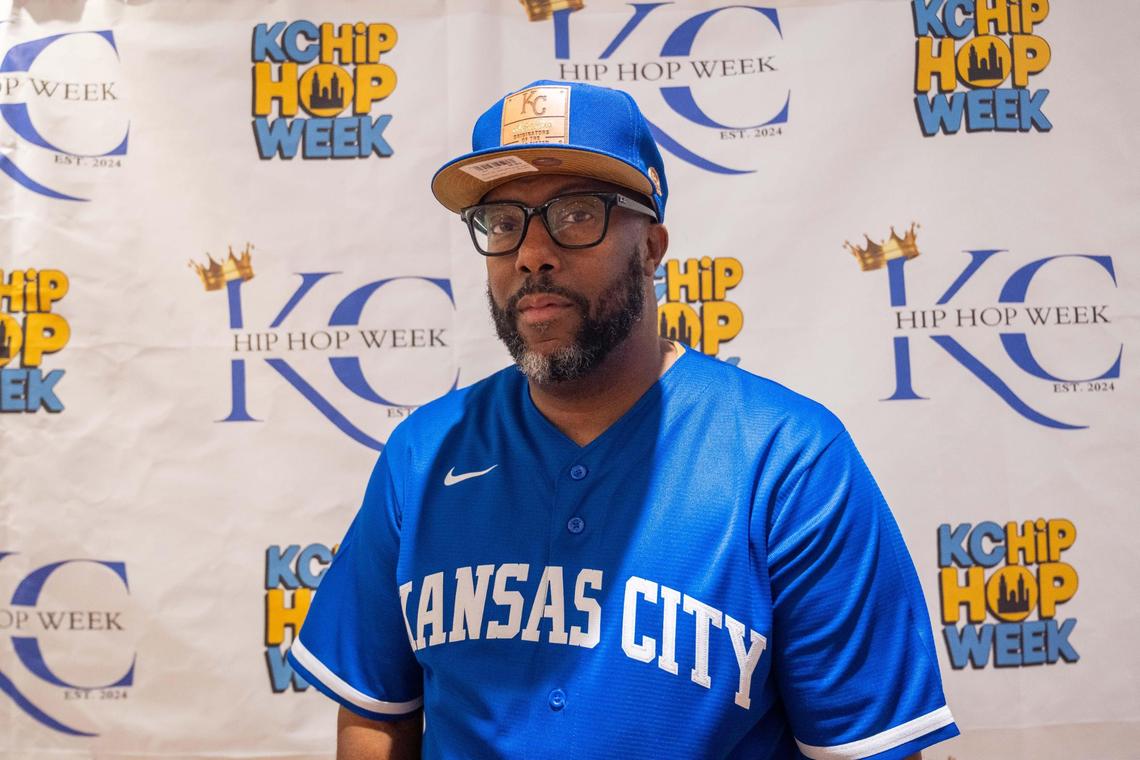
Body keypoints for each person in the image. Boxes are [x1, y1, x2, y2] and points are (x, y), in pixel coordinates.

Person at [288, 80, 959, 760]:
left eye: (576, 214)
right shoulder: (422, 455)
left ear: (652, 246)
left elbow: (865, 750)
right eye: (502, 222)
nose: (531, 252)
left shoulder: (789, 462)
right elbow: (379, 714)